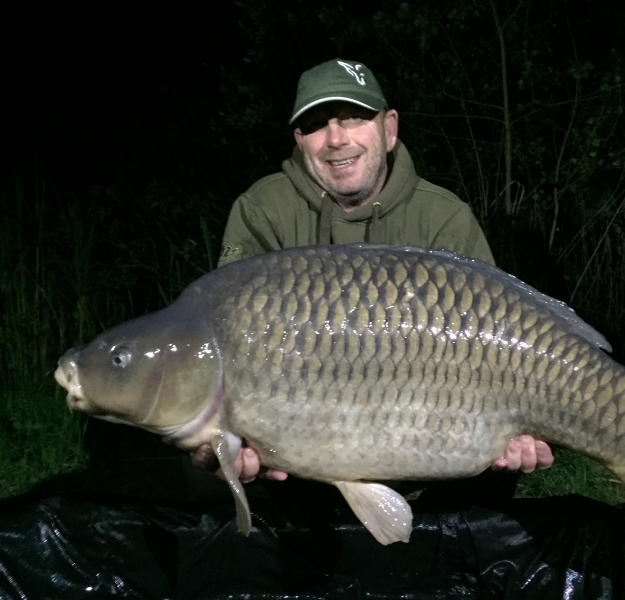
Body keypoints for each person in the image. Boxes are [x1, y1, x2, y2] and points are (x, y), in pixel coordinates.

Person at [192, 58, 553, 485]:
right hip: (302, 469)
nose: (336, 139)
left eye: (354, 118)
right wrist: (216, 438)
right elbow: (221, 339)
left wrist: (524, 434)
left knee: (496, 470)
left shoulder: (443, 217)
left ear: (390, 128)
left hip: (437, 454)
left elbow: (500, 342)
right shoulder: (262, 212)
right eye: (316, 125)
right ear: (299, 140)